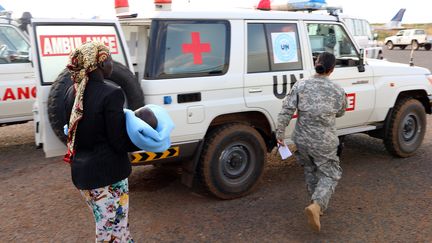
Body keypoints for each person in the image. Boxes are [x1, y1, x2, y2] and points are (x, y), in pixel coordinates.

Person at [64, 41, 138, 242]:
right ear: (101, 62)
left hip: (82, 174)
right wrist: (141, 140)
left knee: (115, 226)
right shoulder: (111, 93)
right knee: (109, 228)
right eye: (110, 59)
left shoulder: (73, 93)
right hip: (108, 175)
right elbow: (118, 141)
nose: (113, 64)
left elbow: (70, 131)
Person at [276, 52, 347, 232]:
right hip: (324, 142)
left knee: (310, 169)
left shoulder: (301, 85)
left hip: (302, 140)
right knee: (330, 173)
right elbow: (340, 112)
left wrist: (280, 133)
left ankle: (315, 203)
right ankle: (317, 205)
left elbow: (287, 109)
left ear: (317, 64)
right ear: (332, 70)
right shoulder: (337, 90)